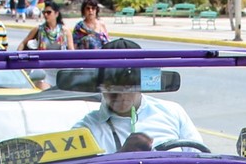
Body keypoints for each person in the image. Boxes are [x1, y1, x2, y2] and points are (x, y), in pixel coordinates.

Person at [73, 66, 201, 154]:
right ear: (100, 88)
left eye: (128, 87)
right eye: (111, 88)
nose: (120, 96)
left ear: (142, 85)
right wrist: (122, 156)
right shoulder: (85, 129)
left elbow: (200, 158)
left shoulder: (173, 112)